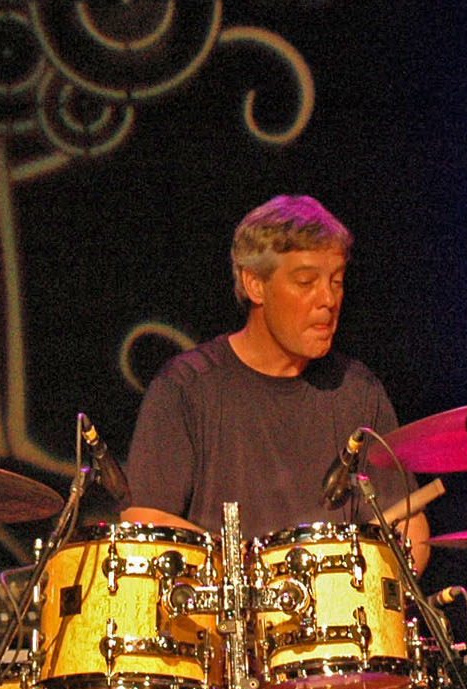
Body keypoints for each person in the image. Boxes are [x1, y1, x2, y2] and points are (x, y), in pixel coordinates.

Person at [122, 194, 429, 569]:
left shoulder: (358, 392)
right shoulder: (186, 388)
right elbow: (145, 521)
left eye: (336, 281)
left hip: (337, 622)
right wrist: (246, 575)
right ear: (255, 285)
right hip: (222, 621)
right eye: (305, 282)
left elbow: (408, 524)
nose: (328, 300)